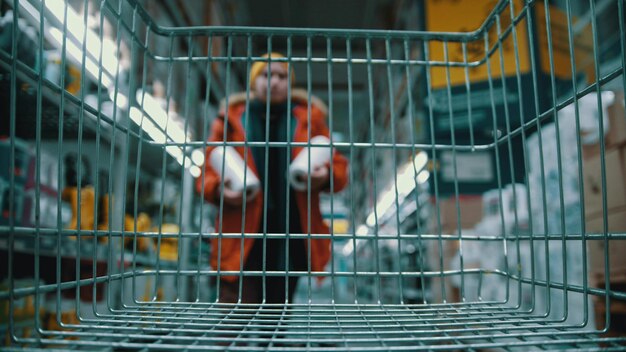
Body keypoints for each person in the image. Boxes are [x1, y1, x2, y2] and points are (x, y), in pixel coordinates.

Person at [196, 52, 349, 305]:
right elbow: (206, 173)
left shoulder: (310, 120)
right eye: (267, 75)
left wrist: (326, 176)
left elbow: (339, 167)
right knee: (234, 316)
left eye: (282, 75)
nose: (274, 81)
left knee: (277, 317)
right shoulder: (231, 120)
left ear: (290, 82)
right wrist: (220, 191)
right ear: (254, 81)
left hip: (290, 237)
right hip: (242, 234)